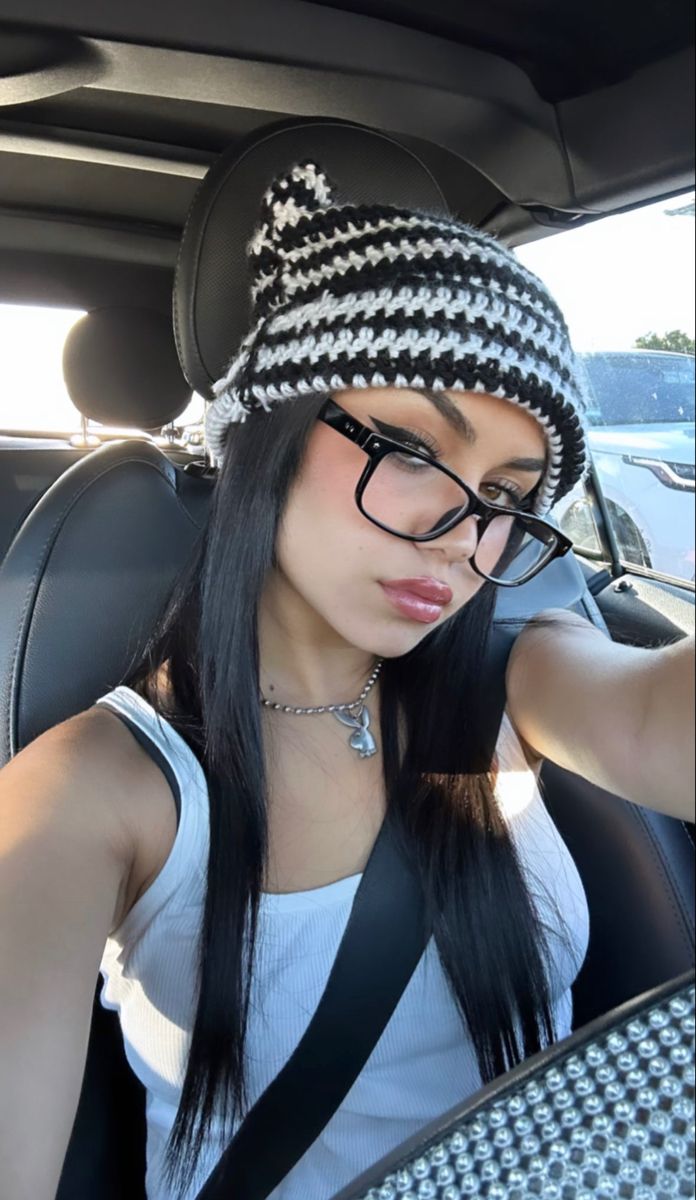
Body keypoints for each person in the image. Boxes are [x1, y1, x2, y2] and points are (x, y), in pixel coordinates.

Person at [1, 161, 693, 1200]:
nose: (464, 537)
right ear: (266, 436)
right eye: (413, 448)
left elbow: (656, 725)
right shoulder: (94, 791)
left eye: (508, 494)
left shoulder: (525, 672)